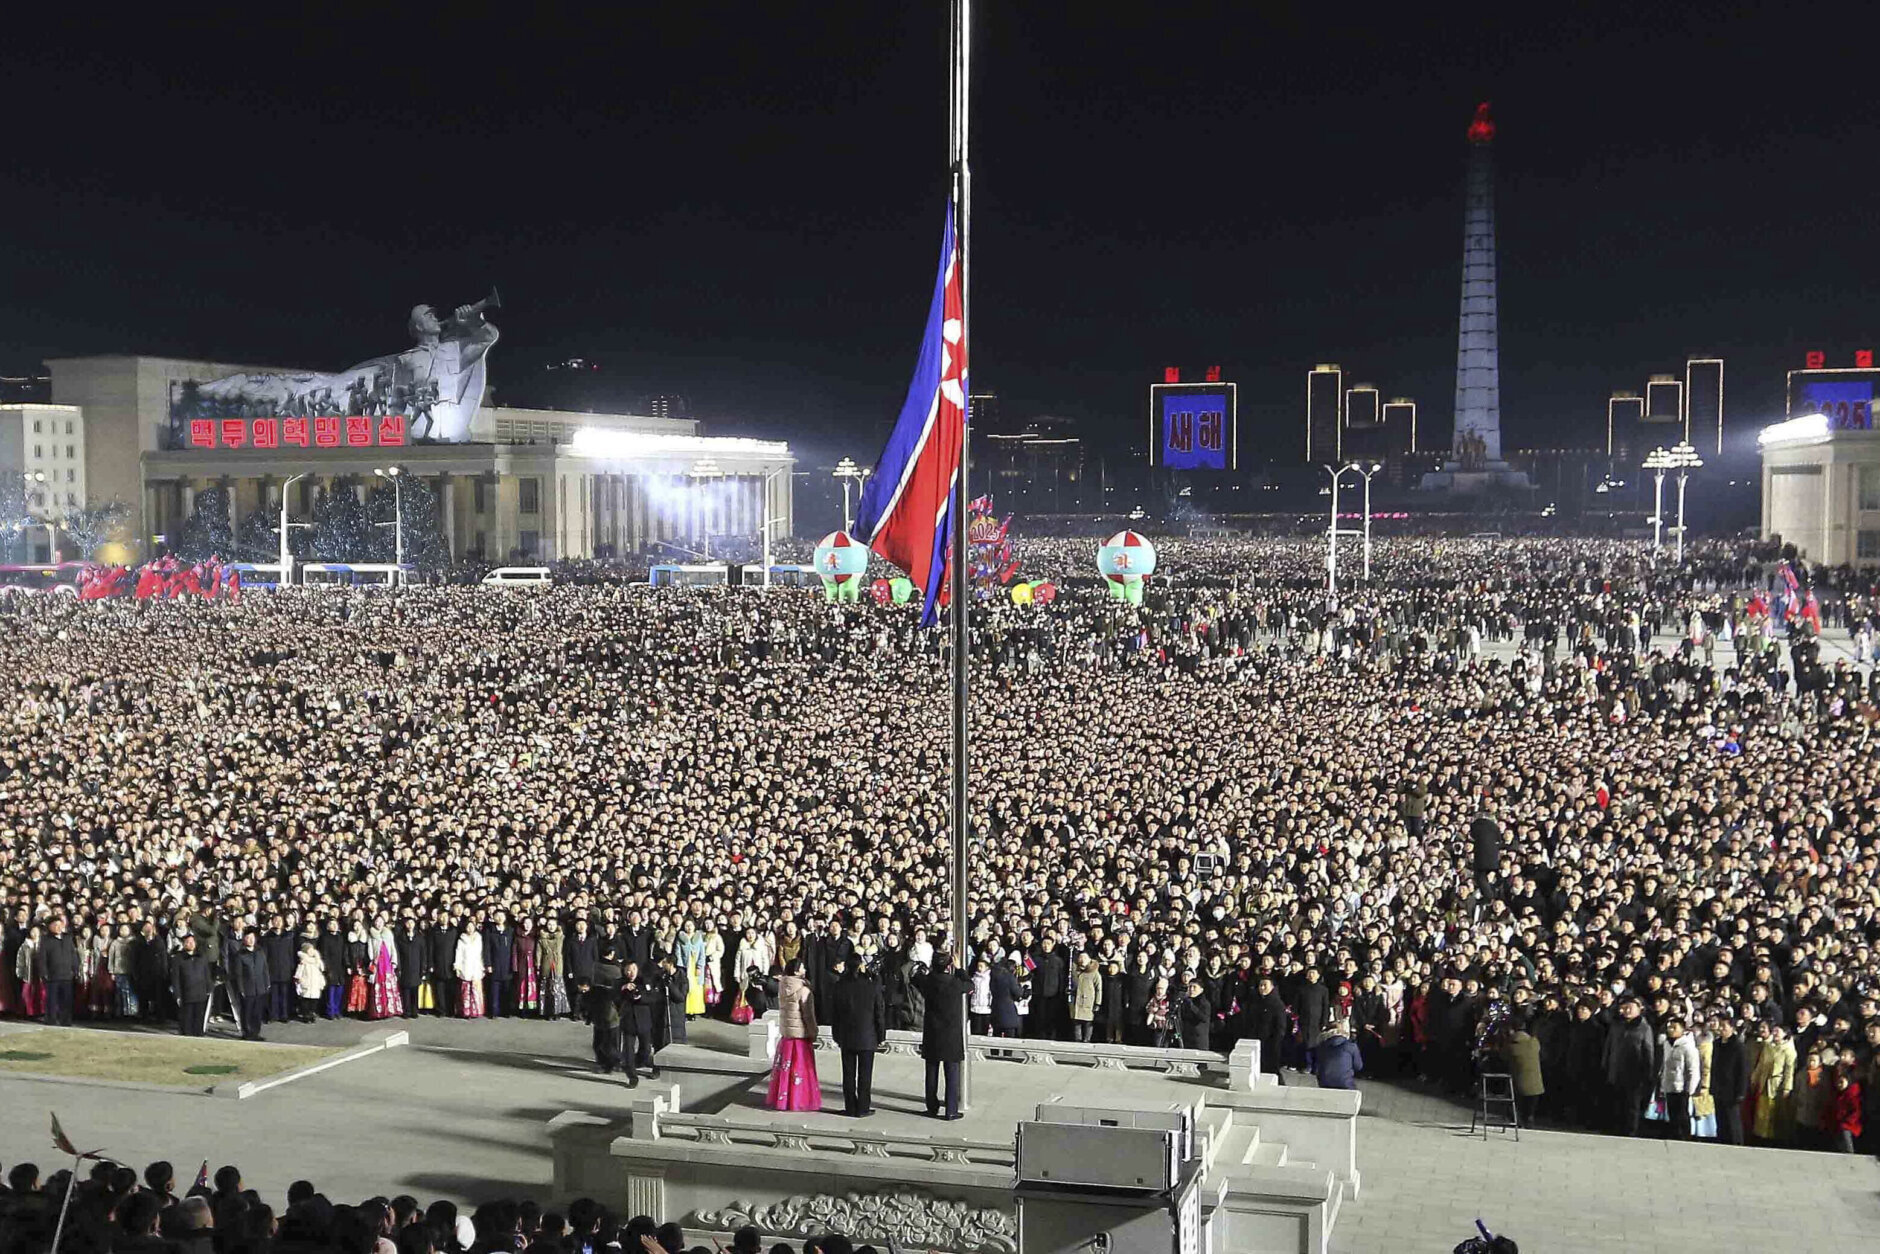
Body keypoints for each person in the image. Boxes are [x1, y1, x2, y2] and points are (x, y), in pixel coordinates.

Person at [918, 951, 971, 1120]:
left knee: (931, 1073)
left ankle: (932, 1107)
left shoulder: (928, 981)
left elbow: (915, 979)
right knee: (952, 1073)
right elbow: (970, 985)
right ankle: (951, 1110)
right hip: (951, 1032)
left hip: (932, 1032)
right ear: (949, 966)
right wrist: (960, 968)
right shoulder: (955, 983)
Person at [829, 957, 886, 1117]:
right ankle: (863, 1107)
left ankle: (850, 1106)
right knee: (865, 1075)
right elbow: (879, 1013)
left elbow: (835, 1013)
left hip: (846, 1035)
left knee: (848, 1074)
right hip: (868, 1035)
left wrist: (836, 1034)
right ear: (861, 966)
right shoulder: (870, 986)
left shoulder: (840, 985)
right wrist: (881, 1035)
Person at [767, 958, 822, 1111]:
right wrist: (813, 1031)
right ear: (797, 971)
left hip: (787, 1035)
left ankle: (783, 1099)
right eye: (802, 967)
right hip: (800, 1035)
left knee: (785, 1069)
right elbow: (808, 1016)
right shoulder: (804, 990)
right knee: (800, 1069)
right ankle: (799, 1099)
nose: (805, 969)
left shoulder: (783, 986)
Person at [1604, 996, 1656, 1136]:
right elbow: (1609, 1047)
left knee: (1632, 1104)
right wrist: (1606, 1064)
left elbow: (1648, 1051)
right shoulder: (1616, 1025)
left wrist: (1648, 1072)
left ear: (1639, 1010)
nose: (1626, 1011)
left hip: (1635, 1071)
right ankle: (1616, 1127)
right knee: (1617, 1101)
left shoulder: (1644, 1027)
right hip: (1616, 1068)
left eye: (1630, 1008)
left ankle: (1631, 1130)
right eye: (1624, 1008)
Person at [1708, 1016, 1749, 1146]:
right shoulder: (1716, 1044)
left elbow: (1743, 1071)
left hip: (1732, 1089)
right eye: (1720, 1026)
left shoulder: (1738, 1046)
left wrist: (1741, 1092)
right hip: (1718, 1087)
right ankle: (1722, 1141)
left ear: (1732, 1028)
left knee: (1732, 1120)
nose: (1721, 1029)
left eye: (1724, 1027)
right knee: (1720, 1119)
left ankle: (1736, 1144)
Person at [1658, 1017, 1700, 1140]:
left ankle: (1685, 1137)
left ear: (1683, 1029)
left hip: (1682, 1088)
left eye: (1674, 1027)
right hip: (1669, 1084)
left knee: (1682, 1115)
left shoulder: (1688, 1047)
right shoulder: (1667, 1044)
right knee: (1672, 1115)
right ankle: (1674, 1136)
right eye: (1669, 1027)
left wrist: (1689, 1089)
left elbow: (1693, 1070)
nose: (1671, 1030)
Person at [228, 928, 271, 1040]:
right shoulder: (240, 955)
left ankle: (256, 1033)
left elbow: (265, 969)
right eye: (248, 938)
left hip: (260, 987)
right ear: (244, 939)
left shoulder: (260, 952)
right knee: (247, 1012)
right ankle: (247, 1033)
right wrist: (241, 988)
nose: (250, 940)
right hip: (247, 988)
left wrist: (267, 983)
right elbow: (238, 974)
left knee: (257, 1012)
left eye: (252, 938)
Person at [620, 960, 658, 1083]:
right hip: (628, 1020)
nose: (631, 973)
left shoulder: (644, 981)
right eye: (628, 970)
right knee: (628, 1050)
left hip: (644, 1020)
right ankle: (632, 1076)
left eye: (633, 970)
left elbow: (652, 997)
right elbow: (615, 998)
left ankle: (639, 1062)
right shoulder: (620, 982)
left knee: (646, 1048)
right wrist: (624, 988)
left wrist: (641, 997)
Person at [37, 916, 78, 1026]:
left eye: (60, 925)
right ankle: (51, 1019)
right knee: (52, 1000)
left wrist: (75, 969)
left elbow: (73, 955)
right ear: (49, 927)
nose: (58, 927)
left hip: (67, 975)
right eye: (55, 925)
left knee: (67, 1000)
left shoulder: (68, 938)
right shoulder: (45, 940)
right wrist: (43, 973)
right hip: (52, 976)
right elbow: (42, 958)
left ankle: (66, 1020)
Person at [172, 933, 213, 1036]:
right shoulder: (178, 958)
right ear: (184, 944)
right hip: (186, 994)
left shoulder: (202, 957)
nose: (190, 944)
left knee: (199, 1019)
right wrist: (177, 995)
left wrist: (209, 988)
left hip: (201, 993)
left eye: (192, 942)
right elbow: (175, 978)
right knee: (187, 1020)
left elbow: (206, 974)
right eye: (187, 942)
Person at [1314, 1018, 1363, 1090]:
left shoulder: (1321, 1046)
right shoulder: (1351, 1046)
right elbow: (1358, 1066)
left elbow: (1318, 1065)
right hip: (1345, 1083)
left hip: (1324, 1082)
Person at [1071, 955, 1103, 1043]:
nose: (1082, 960)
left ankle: (1087, 1039)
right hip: (1076, 1000)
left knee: (1088, 1022)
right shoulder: (1075, 971)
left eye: (1085, 958)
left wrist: (1097, 1003)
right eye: (1080, 958)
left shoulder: (1094, 973)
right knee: (1076, 1021)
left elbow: (1098, 989)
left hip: (1089, 1001)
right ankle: (1077, 1039)